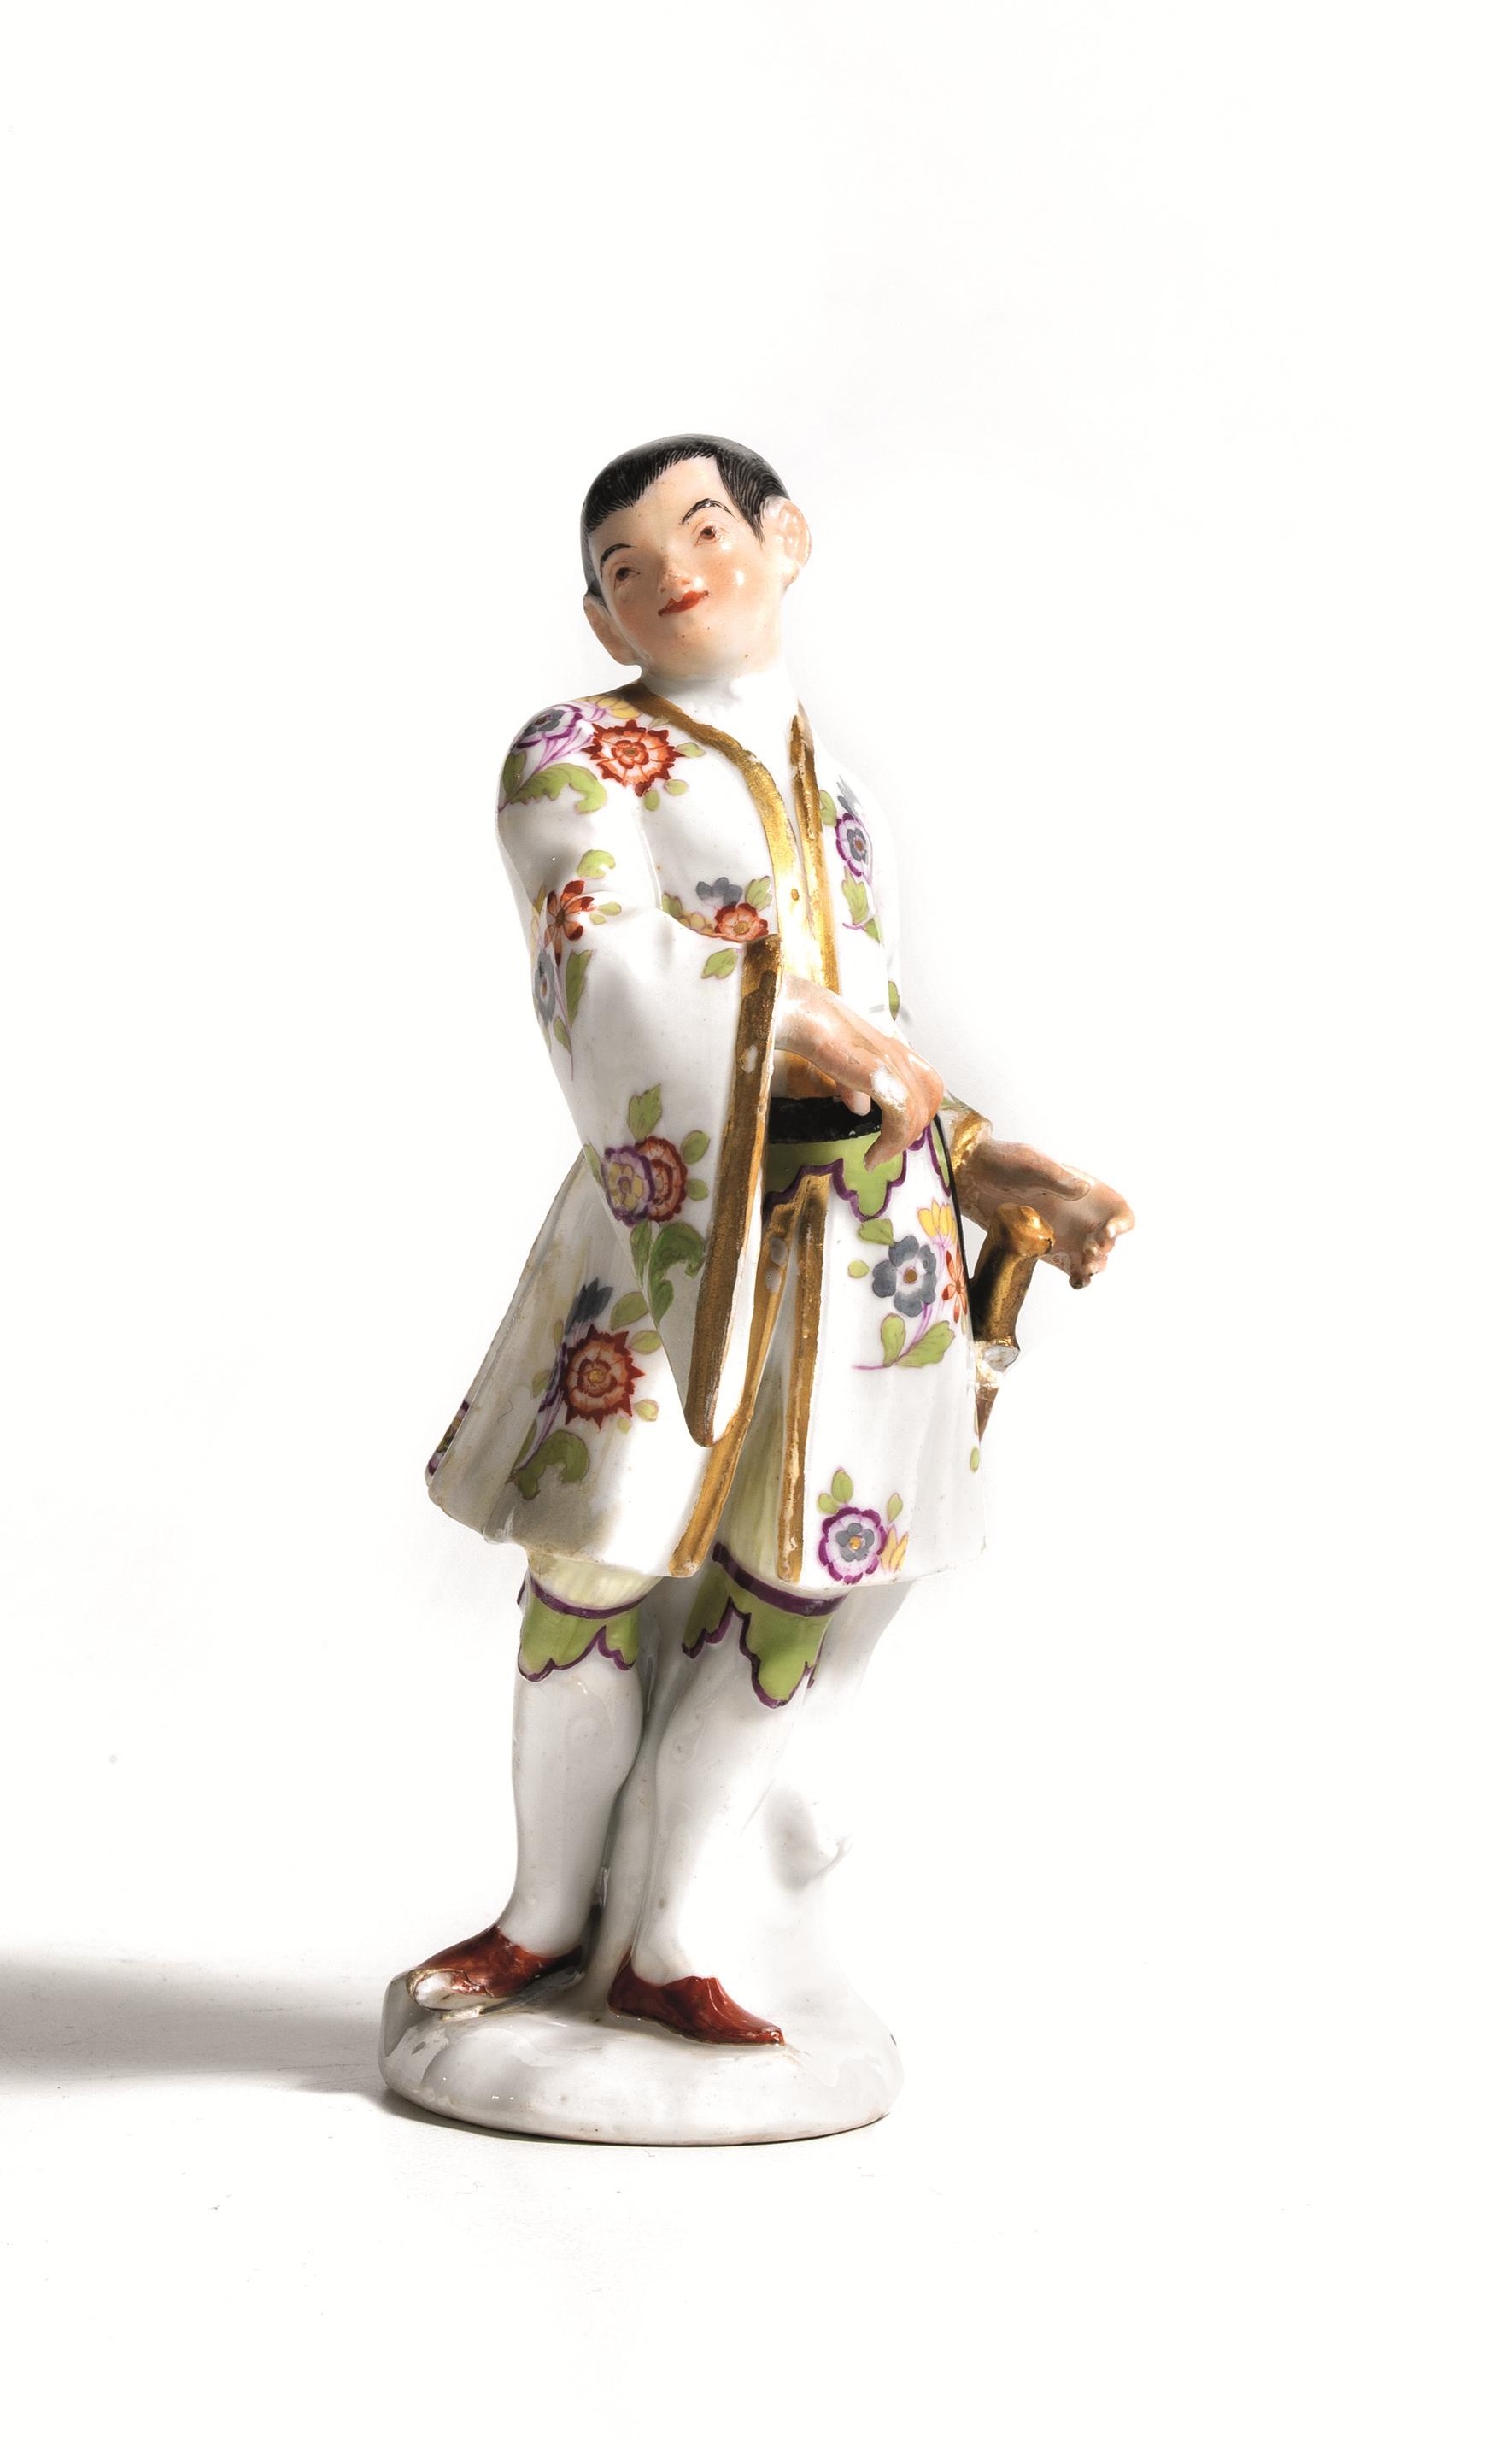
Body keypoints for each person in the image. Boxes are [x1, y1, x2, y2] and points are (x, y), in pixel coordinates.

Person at [414, 435, 1133, 2045]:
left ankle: (669, 1931)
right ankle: (544, 1916)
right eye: (625, 567)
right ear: (599, 619)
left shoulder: (844, 801)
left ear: (784, 538)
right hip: (668, 1233)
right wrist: (781, 1011)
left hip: (865, 1255)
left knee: (801, 1584)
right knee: (592, 1564)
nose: (672, 574)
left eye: (703, 530)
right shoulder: (576, 754)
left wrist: (978, 1159)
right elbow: (594, 949)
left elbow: (883, 1035)